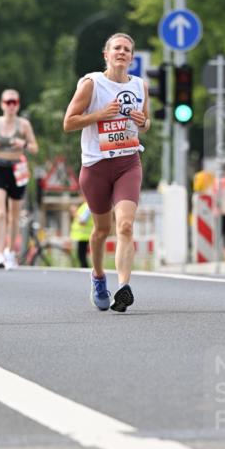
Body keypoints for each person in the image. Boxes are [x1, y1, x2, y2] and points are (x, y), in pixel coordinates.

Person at [63, 32, 149, 312]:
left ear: (132, 58)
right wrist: (100, 114)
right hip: (96, 166)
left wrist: (142, 121)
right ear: (106, 55)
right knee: (102, 229)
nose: (122, 52)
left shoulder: (140, 86)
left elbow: (145, 124)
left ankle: (124, 287)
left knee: (124, 225)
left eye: (127, 49)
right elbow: (69, 122)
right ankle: (99, 277)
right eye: (117, 48)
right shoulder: (92, 83)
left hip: (128, 162)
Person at [0, 90, 38, 269]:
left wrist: (22, 144)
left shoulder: (23, 125)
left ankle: (10, 252)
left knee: (14, 214)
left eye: (14, 102)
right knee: (0, 212)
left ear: (18, 104)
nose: (10, 106)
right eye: (7, 102)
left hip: (18, 168)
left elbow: (34, 148)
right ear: (2, 104)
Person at [69, 201, 93, 268]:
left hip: (84, 236)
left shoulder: (87, 206)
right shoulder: (84, 206)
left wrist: (75, 213)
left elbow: (83, 221)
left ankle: (86, 271)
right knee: (82, 256)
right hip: (83, 236)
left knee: (82, 256)